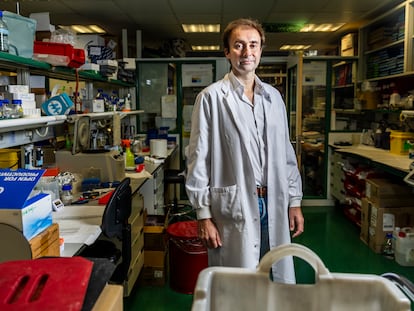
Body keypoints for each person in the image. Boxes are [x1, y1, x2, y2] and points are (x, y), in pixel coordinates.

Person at [185, 18, 304, 284]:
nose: (247, 52)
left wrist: (294, 201)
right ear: (227, 52)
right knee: (239, 284)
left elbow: (286, 154)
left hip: (274, 201)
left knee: (274, 277)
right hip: (233, 207)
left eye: (253, 45)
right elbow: (198, 159)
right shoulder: (211, 98)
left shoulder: (274, 97)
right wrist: (203, 215)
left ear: (261, 50)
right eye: (238, 45)